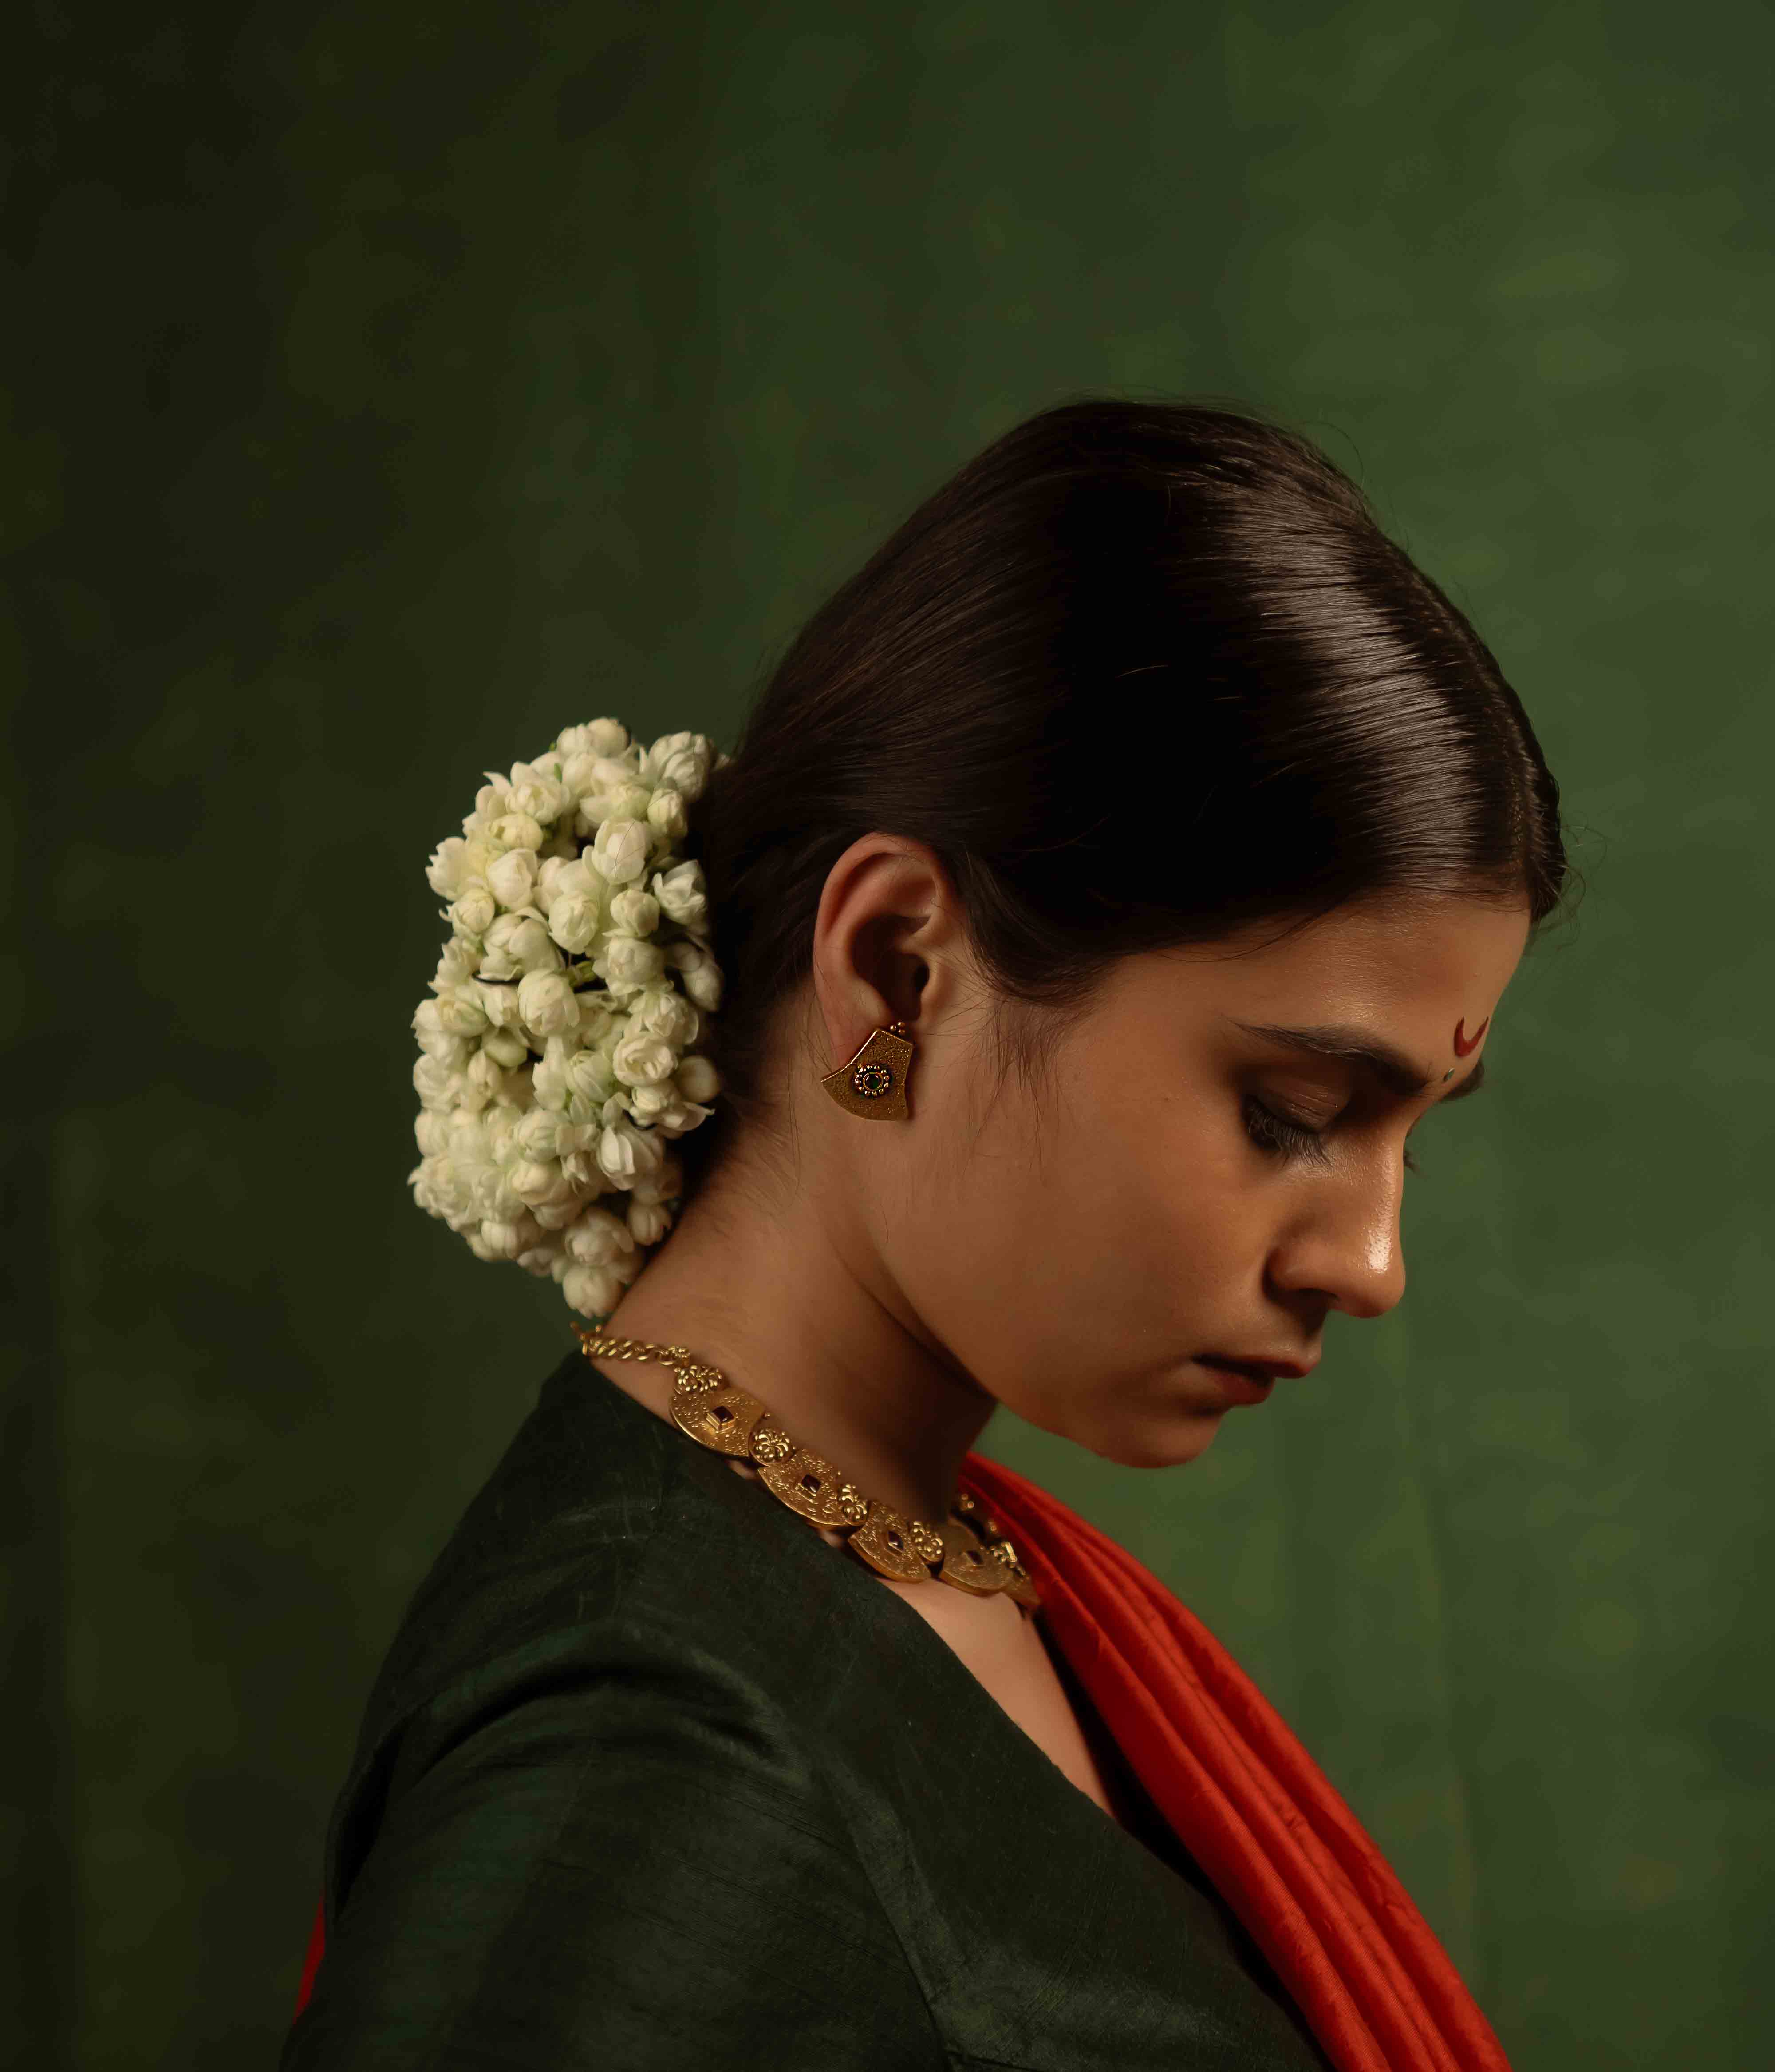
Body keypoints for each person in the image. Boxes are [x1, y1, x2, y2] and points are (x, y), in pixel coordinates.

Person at [282, 396, 1575, 2069]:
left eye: (1407, 1141)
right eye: (1295, 1110)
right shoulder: (641, 1752)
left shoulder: (927, 1555)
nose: (1372, 1263)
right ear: (898, 968)